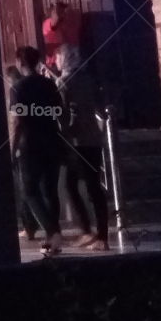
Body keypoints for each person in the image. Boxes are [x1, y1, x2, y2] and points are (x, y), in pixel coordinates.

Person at [10, 46, 65, 255]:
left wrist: (13, 148)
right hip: (52, 139)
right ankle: (53, 238)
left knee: (30, 190)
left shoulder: (18, 88)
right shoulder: (49, 84)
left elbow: (17, 121)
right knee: (50, 190)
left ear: (19, 62)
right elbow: (60, 111)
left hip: (30, 143)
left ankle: (53, 232)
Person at [55, 57, 110, 251]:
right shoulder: (89, 80)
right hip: (93, 138)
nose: (56, 62)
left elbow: (61, 112)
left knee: (78, 186)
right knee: (90, 186)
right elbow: (100, 109)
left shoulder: (63, 82)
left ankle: (95, 234)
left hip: (77, 141)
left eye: (59, 58)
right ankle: (96, 232)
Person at [5, 65, 40, 241]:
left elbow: (16, 123)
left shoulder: (16, 91)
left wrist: (13, 148)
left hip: (23, 146)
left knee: (25, 189)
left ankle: (30, 226)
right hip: (37, 143)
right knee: (35, 188)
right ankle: (38, 225)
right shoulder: (31, 89)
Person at [42, 2, 82, 79]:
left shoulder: (70, 23)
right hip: (55, 65)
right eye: (61, 11)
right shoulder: (48, 23)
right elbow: (55, 19)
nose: (64, 14)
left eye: (63, 11)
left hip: (72, 63)